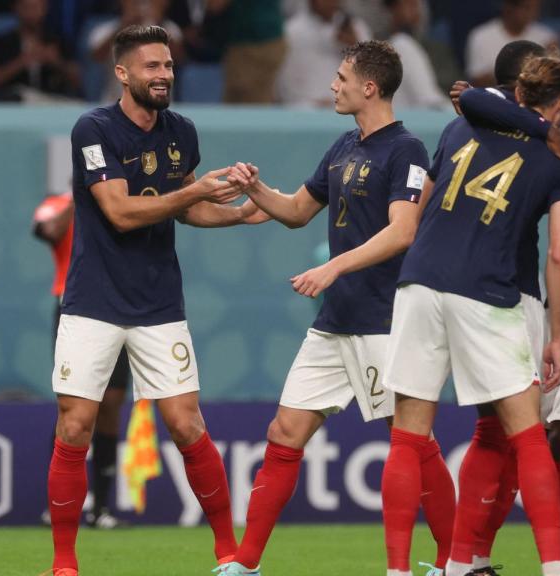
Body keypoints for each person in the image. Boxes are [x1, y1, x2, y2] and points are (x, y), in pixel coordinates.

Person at [214, 40, 455, 576]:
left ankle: (449, 561)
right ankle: (244, 565)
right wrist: (255, 191)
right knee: (284, 432)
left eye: (342, 77)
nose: (332, 85)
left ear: (369, 86)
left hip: (384, 320)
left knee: (414, 444)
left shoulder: (406, 150)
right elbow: (298, 210)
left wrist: (333, 267)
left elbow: (403, 231)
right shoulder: (345, 145)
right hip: (336, 322)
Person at [47, 24, 265, 576]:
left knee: (187, 423)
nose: (164, 75)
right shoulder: (93, 129)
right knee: (75, 425)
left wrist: (237, 213)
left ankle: (229, 556)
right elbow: (119, 212)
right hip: (93, 301)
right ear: (122, 73)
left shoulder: (181, 132)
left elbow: (185, 208)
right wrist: (194, 190)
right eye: (152, 67)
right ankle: (65, 564)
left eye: (168, 65)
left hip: (159, 303)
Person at [381, 55, 560, 576]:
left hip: (420, 281)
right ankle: (556, 569)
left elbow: (423, 204)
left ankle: (399, 571)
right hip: (486, 292)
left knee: (407, 435)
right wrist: (558, 336)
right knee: (526, 434)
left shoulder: (458, 125)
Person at [34, 191, 129, 529]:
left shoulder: (122, 198)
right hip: (72, 306)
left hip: (119, 307)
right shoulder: (59, 204)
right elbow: (46, 232)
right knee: (74, 408)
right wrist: (78, 200)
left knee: (111, 404)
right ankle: (57, 506)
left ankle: (102, 508)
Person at [0, 0, 80, 102]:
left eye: (36, 7)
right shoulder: (2, 42)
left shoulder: (57, 41)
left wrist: (56, 61)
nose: (31, 12)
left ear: (45, 8)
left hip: (53, 102)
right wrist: (20, 62)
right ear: (16, 8)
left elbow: (78, 82)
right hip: (14, 102)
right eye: (26, 7)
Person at [88, 0, 186, 103]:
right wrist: (124, 25)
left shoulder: (169, 28)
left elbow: (179, 58)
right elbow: (97, 57)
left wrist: (157, 22)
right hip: (115, 105)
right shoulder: (105, 29)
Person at [278, 0, 372, 106]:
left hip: (349, 110)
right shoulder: (292, 32)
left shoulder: (356, 28)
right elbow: (285, 82)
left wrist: (355, 46)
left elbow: (372, 76)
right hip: (304, 108)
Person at [465, 0, 557, 87]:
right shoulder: (480, 36)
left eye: (536, 8)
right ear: (509, 7)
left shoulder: (547, 37)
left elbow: (554, 78)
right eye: (527, 7)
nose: (534, 13)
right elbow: (477, 80)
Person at [383, 0, 448, 110]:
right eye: (410, 5)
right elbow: (429, 101)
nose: (417, 12)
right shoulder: (401, 43)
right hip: (413, 122)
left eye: (417, 6)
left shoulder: (429, 47)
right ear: (392, 10)